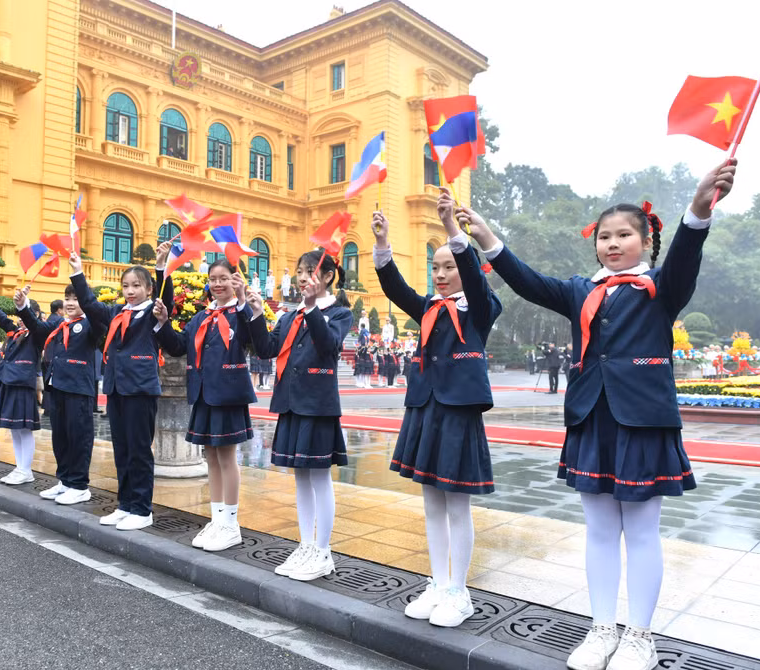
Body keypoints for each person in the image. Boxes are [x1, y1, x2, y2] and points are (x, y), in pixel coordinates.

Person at [460, 160, 736, 670]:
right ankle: (601, 628)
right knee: (600, 531)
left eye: (624, 234)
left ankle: (640, 636)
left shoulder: (661, 288)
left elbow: (687, 251)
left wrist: (700, 207)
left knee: (643, 530)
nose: (612, 243)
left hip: (643, 421)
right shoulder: (578, 291)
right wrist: (488, 240)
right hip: (592, 418)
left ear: (645, 240)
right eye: (604, 236)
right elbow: (526, 282)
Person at [371, 189, 501, 628]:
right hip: (424, 408)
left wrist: (451, 229)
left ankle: (458, 591)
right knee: (431, 504)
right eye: (436, 267)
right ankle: (439, 581)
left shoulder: (480, 308)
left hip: (458, 412)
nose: (441, 274)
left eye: (449, 267)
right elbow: (394, 287)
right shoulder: (428, 308)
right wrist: (383, 243)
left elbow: (474, 277)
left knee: (456, 506)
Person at [247, 250, 353, 580]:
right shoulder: (290, 316)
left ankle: (322, 551)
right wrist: (253, 315)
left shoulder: (339, 313)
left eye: (310, 272)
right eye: (300, 271)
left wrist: (309, 309)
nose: (303, 277)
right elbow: (267, 349)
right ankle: (306, 545)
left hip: (318, 406)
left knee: (320, 478)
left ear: (328, 277)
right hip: (292, 403)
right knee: (301, 478)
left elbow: (328, 345)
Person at [153, 259, 255, 552]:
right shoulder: (200, 318)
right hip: (203, 394)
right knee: (210, 456)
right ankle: (217, 517)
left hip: (228, 395)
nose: (217, 283)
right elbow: (177, 346)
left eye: (223, 278)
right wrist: (161, 323)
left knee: (227, 458)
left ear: (234, 281)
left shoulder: (240, 314)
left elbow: (253, 339)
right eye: (213, 278)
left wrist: (244, 302)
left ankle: (231, 523)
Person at [70, 244, 174, 529]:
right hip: (116, 388)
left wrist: (162, 266)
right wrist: (78, 274)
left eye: (137, 286)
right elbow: (90, 305)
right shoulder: (117, 312)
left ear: (148, 289)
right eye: (126, 286)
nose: (130, 291)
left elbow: (168, 299)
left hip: (140, 389)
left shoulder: (154, 312)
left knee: (139, 450)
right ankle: (125, 504)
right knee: (122, 449)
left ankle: (142, 509)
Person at [17, 282, 103, 505]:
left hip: (78, 389)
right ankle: (65, 481)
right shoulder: (58, 325)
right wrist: (23, 306)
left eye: (76, 299)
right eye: (67, 299)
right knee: (60, 437)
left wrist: (87, 299)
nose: (70, 303)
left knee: (79, 438)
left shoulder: (91, 325)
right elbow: (36, 329)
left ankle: (79, 485)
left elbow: (96, 320)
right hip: (56, 388)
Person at [0, 289, 43, 485]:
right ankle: (20, 467)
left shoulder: (37, 332)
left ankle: (26, 470)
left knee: (24, 429)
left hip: (23, 384)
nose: (21, 319)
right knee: (14, 429)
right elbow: (0, 315)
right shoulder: (15, 332)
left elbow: (30, 321)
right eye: (20, 315)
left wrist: (25, 308)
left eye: (26, 314)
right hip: (9, 382)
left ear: (34, 315)